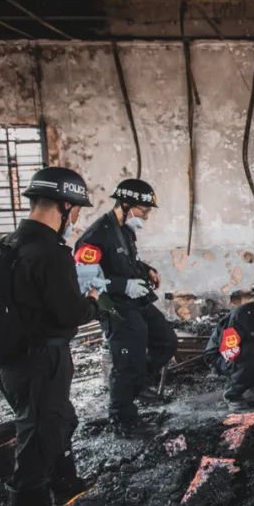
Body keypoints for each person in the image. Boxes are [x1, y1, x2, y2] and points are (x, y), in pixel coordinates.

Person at [0, 167, 99, 506]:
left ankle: (65, 485)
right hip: (40, 360)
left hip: (12, 362)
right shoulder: (52, 254)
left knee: (58, 422)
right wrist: (90, 300)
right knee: (37, 443)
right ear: (66, 205)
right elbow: (70, 312)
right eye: (75, 210)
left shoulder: (12, 243)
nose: (74, 219)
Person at [75, 179, 177, 436]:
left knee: (165, 341)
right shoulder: (96, 236)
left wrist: (146, 270)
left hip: (136, 300)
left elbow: (128, 261)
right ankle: (122, 420)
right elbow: (83, 280)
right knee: (126, 361)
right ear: (125, 204)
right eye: (143, 209)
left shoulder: (127, 230)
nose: (146, 215)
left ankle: (138, 383)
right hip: (114, 305)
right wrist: (122, 286)